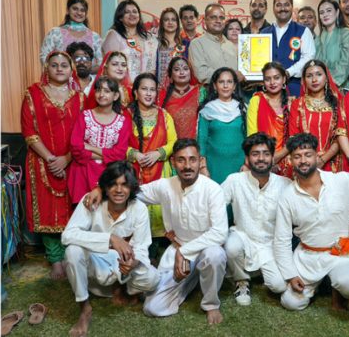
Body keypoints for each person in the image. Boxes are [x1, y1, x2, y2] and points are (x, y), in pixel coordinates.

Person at [81, 139, 229, 324]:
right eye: (181, 160)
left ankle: (211, 304)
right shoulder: (166, 185)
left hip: (202, 250)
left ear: (200, 161)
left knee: (215, 254)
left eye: (192, 160)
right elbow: (132, 192)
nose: (187, 165)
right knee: (153, 308)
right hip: (177, 249)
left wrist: (184, 252)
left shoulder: (212, 189)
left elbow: (220, 233)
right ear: (173, 162)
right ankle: (194, 280)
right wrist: (100, 188)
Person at [62, 161, 161, 337]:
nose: (118, 190)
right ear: (105, 187)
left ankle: (123, 289)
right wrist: (110, 239)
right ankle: (84, 308)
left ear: (131, 187)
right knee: (72, 250)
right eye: (113, 184)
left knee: (152, 278)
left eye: (124, 184)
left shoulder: (138, 208)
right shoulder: (91, 201)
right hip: (97, 265)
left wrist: (134, 261)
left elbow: (141, 247)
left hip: (123, 268)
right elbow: (67, 235)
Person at [273, 133, 349, 311]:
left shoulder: (341, 180)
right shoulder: (287, 196)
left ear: (317, 155)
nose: (303, 161)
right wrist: (291, 276)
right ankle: (322, 285)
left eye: (308, 154)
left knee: (348, 284)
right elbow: (281, 240)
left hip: (340, 254)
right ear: (290, 160)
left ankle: (338, 287)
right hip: (308, 256)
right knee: (291, 303)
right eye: (297, 156)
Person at [21, 50, 84, 280]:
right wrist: (50, 158)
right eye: (54, 64)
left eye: (64, 65)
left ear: (71, 70)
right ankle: (55, 260)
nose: (59, 68)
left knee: (71, 210)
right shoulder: (33, 93)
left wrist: (66, 158)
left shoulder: (79, 98)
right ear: (47, 68)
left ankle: (70, 256)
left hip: (73, 161)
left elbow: (83, 131)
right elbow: (28, 130)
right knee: (49, 211)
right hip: (41, 161)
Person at [222, 133, 291, 306]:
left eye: (266, 154)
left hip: (270, 244)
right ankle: (241, 280)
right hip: (243, 237)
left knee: (279, 286)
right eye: (255, 154)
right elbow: (215, 205)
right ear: (247, 158)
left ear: (272, 157)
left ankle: (258, 271)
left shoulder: (285, 184)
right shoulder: (235, 180)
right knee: (231, 247)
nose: (261, 158)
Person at [126, 73, 178, 261]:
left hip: (161, 169)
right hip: (134, 170)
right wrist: (135, 154)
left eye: (152, 90)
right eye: (144, 89)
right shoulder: (126, 115)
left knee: (160, 208)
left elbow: (174, 141)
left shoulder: (164, 115)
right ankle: (139, 249)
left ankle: (160, 249)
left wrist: (158, 153)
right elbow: (118, 144)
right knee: (136, 206)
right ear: (135, 92)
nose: (148, 93)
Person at [68, 76, 131, 207]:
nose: (101, 94)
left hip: (109, 175)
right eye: (98, 90)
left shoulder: (123, 122)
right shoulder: (85, 116)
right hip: (82, 173)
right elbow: (76, 148)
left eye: (107, 91)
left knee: (106, 219)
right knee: (82, 217)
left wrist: (90, 147)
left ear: (115, 96)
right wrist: (108, 154)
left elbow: (119, 155)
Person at [288, 59, 344, 172]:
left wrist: (323, 159)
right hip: (304, 162)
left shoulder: (339, 103)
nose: (314, 79)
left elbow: (341, 136)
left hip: (333, 162)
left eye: (319, 74)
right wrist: (309, 159)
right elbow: (294, 137)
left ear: (326, 77)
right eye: (309, 76)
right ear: (304, 80)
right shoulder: (297, 104)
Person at [197, 67, 247, 186]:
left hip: (239, 165)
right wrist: (203, 167)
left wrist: (247, 164)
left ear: (234, 86)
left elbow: (249, 138)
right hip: (214, 165)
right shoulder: (207, 110)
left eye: (229, 82)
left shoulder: (243, 108)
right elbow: (201, 140)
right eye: (221, 82)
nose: (225, 86)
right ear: (214, 86)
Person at [261, 0, 316, 97]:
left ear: (292, 7)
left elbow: (308, 57)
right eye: (278, 5)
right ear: (273, 8)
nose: (283, 8)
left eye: (286, 5)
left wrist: (288, 72)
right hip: (268, 88)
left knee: (293, 113)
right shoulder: (264, 33)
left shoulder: (303, 31)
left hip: (293, 87)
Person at [246, 62, 292, 177]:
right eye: (268, 79)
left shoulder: (293, 104)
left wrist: (278, 156)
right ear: (263, 82)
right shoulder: (256, 101)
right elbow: (252, 136)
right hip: (261, 159)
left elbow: (295, 137)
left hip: (289, 159)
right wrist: (267, 157)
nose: (272, 83)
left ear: (284, 79)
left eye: (276, 78)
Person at [39, 0, 103, 72]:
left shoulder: (95, 36)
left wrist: (84, 72)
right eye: (75, 9)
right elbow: (44, 57)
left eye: (82, 10)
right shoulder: (55, 33)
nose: (79, 13)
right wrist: (60, 72)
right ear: (68, 10)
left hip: (88, 80)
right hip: (60, 79)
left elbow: (101, 63)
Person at [103, 0, 158, 82]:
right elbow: (110, 68)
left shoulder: (148, 37)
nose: (132, 14)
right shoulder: (114, 35)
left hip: (145, 89)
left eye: (135, 11)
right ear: (120, 17)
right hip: (122, 88)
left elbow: (152, 66)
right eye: (127, 12)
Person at [189, 3, 243, 85]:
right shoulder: (197, 44)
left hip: (234, 95)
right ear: (205, 20)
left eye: (221, 18)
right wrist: (232, 75)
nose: (218, 21)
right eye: (213, 17)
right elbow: (202, 74)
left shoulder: (230, 45)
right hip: (210, 95)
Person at [315, 0, 349, 91]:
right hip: (320, 88)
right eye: (321, 12)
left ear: (337, 12)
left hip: (343, 86)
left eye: (328, 11)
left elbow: (347, 64)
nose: (325, 15)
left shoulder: (347, 34)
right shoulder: (318, 38)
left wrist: (329, 82)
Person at [160, 57, 206, 139]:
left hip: (195, 147)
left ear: (190, 73)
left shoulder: (200, 92)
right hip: (171, 146)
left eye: (185, 69)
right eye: (177, 70)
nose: (182, 72)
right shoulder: (162, 95)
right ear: (170, 75)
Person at [156, 8, 187, 90]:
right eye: (166, 20)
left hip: (180, 90)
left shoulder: (185, 44)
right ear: (162, 23)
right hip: (158, 90)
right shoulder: (154, 44)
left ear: (177, 23)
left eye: (173, 20)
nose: (170, 22)